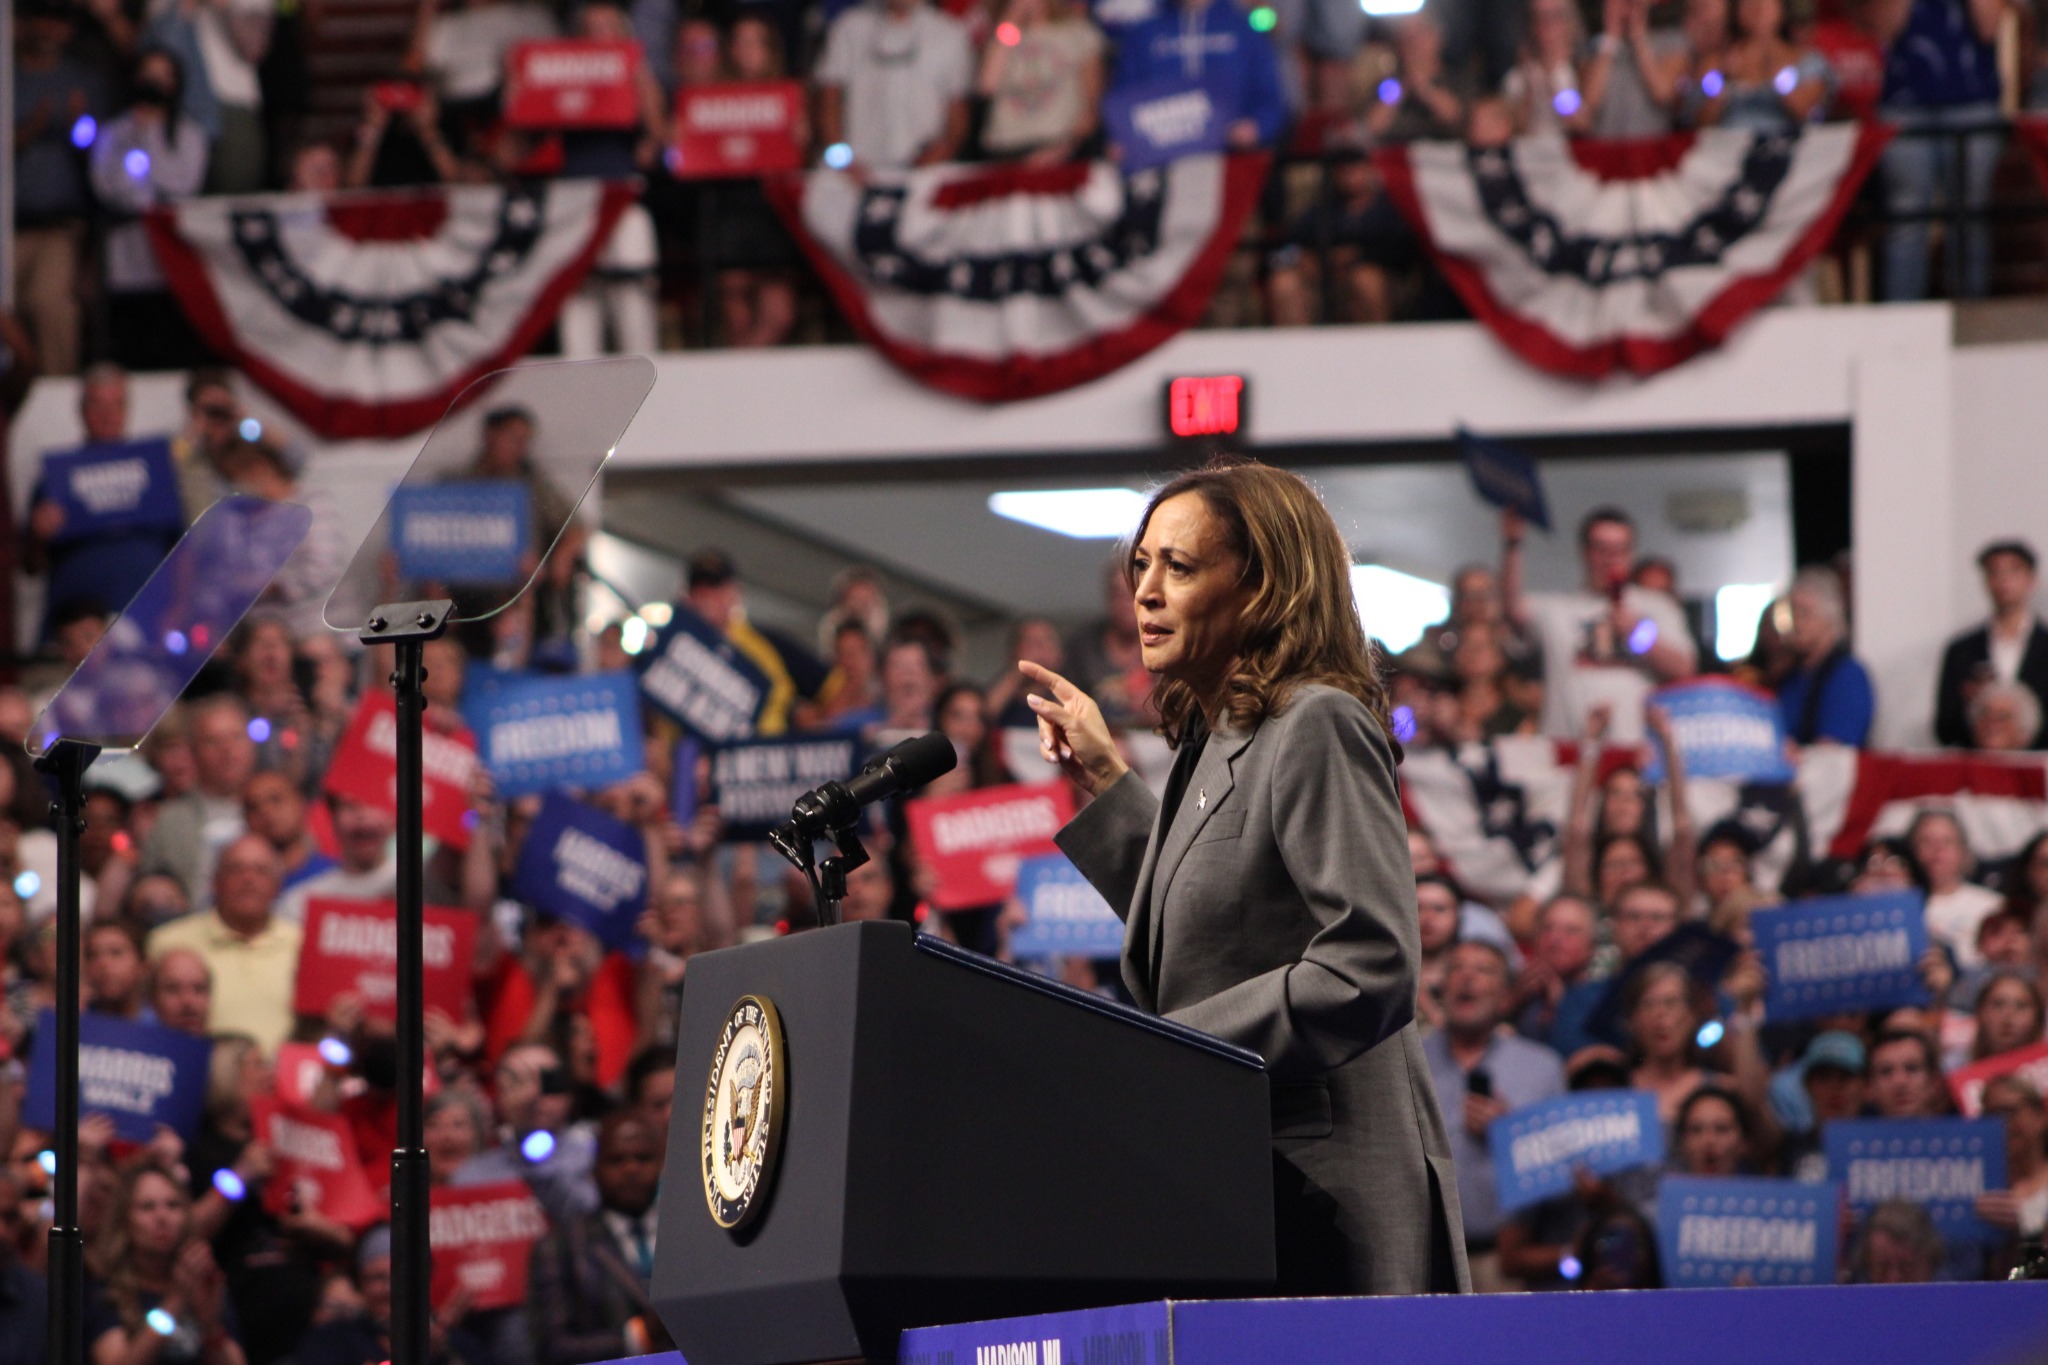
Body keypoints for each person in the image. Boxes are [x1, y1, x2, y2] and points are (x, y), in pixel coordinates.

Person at [1022, 459, 1469, 1295]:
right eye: (1141, 565)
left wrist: (1171, 1050)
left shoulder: (1317, 723)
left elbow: (1370, 963)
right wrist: (1108, 781)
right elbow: (1209, 923)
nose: (1146, 591)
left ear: (1262, 590)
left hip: (1329, 1195)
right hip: (1243, 1183)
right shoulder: (1216, 740)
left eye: (1180, 566)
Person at [1424, 941, 1566, 1292]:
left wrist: (1512, 1133)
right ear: (1442, 989)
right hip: (1425, 1260)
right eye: (1457, 968)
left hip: (1506, 1265)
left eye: (1483, 970)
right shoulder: (1411, 1061)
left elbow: (1562, 1170)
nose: (1467, 977)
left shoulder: (1542, 1068)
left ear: (1505, 996)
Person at [1501, 507, 1695, 742]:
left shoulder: (1655, 606)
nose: (1610, 558)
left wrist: (1636, 634)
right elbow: (1512, 610)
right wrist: (1513, 544)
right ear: (1585, 552)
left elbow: (1683, 667)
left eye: (1620, 549)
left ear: (1631, 553)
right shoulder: (1558, 608)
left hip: (1636, 749)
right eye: (1601, 549)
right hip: (1569, 746)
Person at [1872, 0, 2007, 301]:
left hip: (1972, 98)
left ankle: (1970, 316)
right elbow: (1883, 28)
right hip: (1904, 103)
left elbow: (1988, 26)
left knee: (1969, 217)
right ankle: (1900, 321)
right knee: (1907, 217)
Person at [526, 1110, 674, 1365]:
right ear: (594, 1169)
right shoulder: (559, 1246)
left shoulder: (687, 1236)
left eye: (642, 1158)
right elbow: (551, 1347)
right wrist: (638, 1337)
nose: (631, 1169)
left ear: (661, 1165)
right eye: (617, 1160)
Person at [146, 834, 303, 1053]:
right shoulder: (167, 941)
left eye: (260, 870)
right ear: (215, 881)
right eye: (236, 869)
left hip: (284, 1073)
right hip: (193, 1068)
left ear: (278, 885)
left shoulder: (302, 944)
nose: (248, 879)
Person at [86, 1163, 244, 1365]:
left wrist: (210, 1325)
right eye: (147, 1207)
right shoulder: (106, 1293)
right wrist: (176, 1300)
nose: (162, 1217)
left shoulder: (204, 1286)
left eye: (172, 1205)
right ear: (125, 1221)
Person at [1105, 0, 1288, 151]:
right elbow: (1124, 94)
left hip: (1231, 154)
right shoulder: (1144, 33)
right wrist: (1121, 136)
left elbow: (1271, 97)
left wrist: (1256, 127)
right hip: (1160, 155)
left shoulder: (1243, 29)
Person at [814, 0, 973, 171]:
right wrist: (842, 159)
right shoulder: (850, 26)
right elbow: (829, 96)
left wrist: (939, 154)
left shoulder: (949, 32)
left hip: (923, 170)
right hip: (858, 169)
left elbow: (958, 108)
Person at [1935, 540, 2048, 749]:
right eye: (1994, 572)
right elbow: (1945, 726)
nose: (2004, 580)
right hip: (1979, 764)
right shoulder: (1962, 650)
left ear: (2032, 579)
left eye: (2013, 571)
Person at [976, 0, 1104, 162]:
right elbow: (987, 86)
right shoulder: (1005, 35)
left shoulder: (1077, 31)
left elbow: (1093, 103)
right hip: (1005, 147)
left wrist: (1065, 147)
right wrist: (1012, 18)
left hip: (1059, 145)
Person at [1775, 567, 1874, 747]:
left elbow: (1833, 749)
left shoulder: (1847, 676)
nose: (1796, 623)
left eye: (1804, 613)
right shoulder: (1791, 678)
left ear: (1830, 617)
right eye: (1792, 613)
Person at [1909, 808, 2003, 969]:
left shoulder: (1994, 906)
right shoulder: (1899, 909)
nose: (1937, 850)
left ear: (1963, 850)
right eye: (1926, 842)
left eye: (1947, 841)